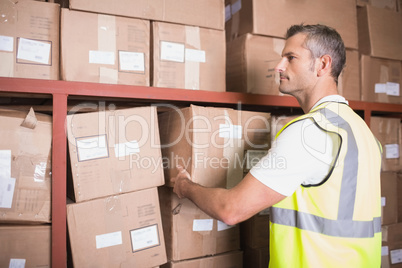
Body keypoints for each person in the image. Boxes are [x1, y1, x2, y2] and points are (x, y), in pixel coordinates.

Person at [171, 24, 382, 267]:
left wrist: (185, 186)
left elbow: (231, 210)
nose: (279, 66)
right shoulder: (364, 134)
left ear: (323, 65)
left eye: (291, 58)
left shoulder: (310, 131)